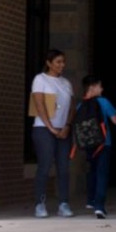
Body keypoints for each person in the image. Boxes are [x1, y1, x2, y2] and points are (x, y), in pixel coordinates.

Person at [31, 49, 75, 218]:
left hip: (63, 130)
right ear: (49, 63)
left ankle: (63, 203)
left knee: (63, 168)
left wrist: (67, 126)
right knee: (45, 165)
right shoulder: (40, 79)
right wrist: (50, 127)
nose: (61, 65)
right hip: (43, 129)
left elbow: (71, 107)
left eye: (63, 62)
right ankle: (40, 204)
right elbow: (39, 104)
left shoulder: (66, 83)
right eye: (58, 62)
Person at [78, 75, 116, 219]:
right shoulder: (104, 102)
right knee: (102, 173)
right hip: (103, 143)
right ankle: (99, 206)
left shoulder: (80, 105)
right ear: (92, 87)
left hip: (88, 145)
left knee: (92, 171)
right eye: (100, 86)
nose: (102, 89)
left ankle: (90, 200)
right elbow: (115, 121)